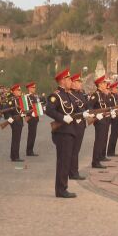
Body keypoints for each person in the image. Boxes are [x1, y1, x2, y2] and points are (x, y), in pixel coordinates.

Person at [45, 68, 78, 198]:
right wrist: (62, 118)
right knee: (63, 161)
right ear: (63, 81)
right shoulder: (56, 95)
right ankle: (61, 189)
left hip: (70, 131)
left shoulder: (68, 95)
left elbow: (74, 110)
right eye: (69, 79)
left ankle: (63, 187)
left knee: (66, 160)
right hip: (62, 132)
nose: (71, 81)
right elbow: (49, 110)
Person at [68, 73, 88, 181]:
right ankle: (73, 172)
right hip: (75, 124)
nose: (80, 84)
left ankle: (73, 171)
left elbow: (85, 106)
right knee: (74, 150)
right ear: (73, 84)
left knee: (77, 150)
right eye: (78, 82)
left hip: (81, 125)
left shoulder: (80, 94)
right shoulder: (70, 95)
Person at [89, 75, 112, 169]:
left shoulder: (103, 94)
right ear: (99, 84)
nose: (106, 84)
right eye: (104, 83)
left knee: (102, 141)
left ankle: (98, 159)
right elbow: (89, 106)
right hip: (99, 121)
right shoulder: (96, 95)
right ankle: (95, 161)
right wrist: (95, 116)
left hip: (105, 119)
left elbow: (107, 105)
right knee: (99, 141)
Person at [3, 84, 25, 162]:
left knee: (17, 139)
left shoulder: (19, 99)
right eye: (18, 90)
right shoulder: (11, 99)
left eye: (20, 90)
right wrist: (9, 118)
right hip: (14, 120)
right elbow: (6, 109)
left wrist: (23, 113)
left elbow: (22, 109)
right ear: (14, 91)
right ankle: (14, 156)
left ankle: (16, 155)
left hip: (19, 120)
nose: (20, 91)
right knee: (15, 139)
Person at [107, 81, 118, 157]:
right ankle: (110, 151)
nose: (117, 89)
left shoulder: (116, 96)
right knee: (113, 135)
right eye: (116, 87)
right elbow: (111, 107)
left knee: (115, 135)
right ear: (112, 89)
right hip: (114, 118)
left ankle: (112, 151)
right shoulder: (111, 97)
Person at [25, 82, 40, 157]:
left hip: (36, 117)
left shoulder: (35, 96)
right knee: (31, 134)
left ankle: (31, 149)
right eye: (33, 87)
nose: (34, 89)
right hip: (31, 118)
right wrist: (29, 115)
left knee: (33, 134)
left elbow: (37, 106)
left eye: (34, 87)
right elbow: (25, 108)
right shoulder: (26, 97)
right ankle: (29, 150)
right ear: (29, 88)